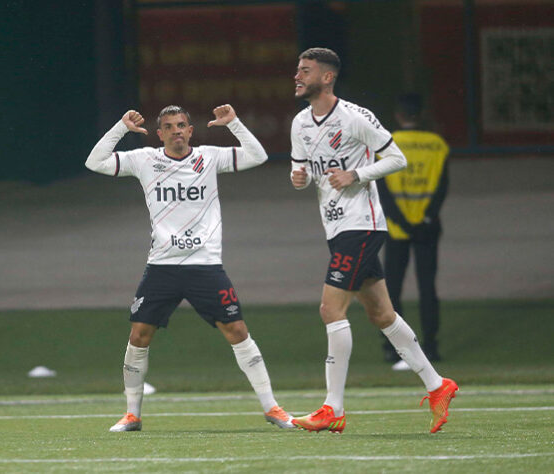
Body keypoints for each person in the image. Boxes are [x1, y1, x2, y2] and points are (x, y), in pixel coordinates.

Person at [85, 104, 295, 432]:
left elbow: (258, 156)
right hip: (162, 266)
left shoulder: (210, 157)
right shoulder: (145, 159)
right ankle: (132, 414)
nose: (176, 131)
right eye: (169, 126)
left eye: (181, 125)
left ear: (190, 130)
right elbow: (94, 162)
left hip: (205, 265)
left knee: (237, 330)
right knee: (139, 335)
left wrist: (235, 124)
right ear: (160, 134)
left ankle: (273, 408)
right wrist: (121, 128)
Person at [287, 47, 458, 433]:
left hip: (362, 224)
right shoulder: (299, 122)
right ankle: (438, 385)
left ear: (327, 77)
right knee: (381, 314)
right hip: (336, 228)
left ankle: (333, 408)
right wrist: (298, 178)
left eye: (305, 70)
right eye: (297, 70)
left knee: (330, 310)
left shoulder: (354, 117)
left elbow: (397, 159)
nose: (297, 76)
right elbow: (301, 171)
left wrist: (357, 175)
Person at [377, 93, 450, 370]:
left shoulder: (386, 145)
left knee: (392, 291)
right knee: (427, 288)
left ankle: (394, 351)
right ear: (421, 114)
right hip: (428, 229)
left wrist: (404, 223)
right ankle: (431, 347)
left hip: (397, 228)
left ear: (398, 115)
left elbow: (382, 191)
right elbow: (442, 188)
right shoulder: (437, 145)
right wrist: (426, 218)